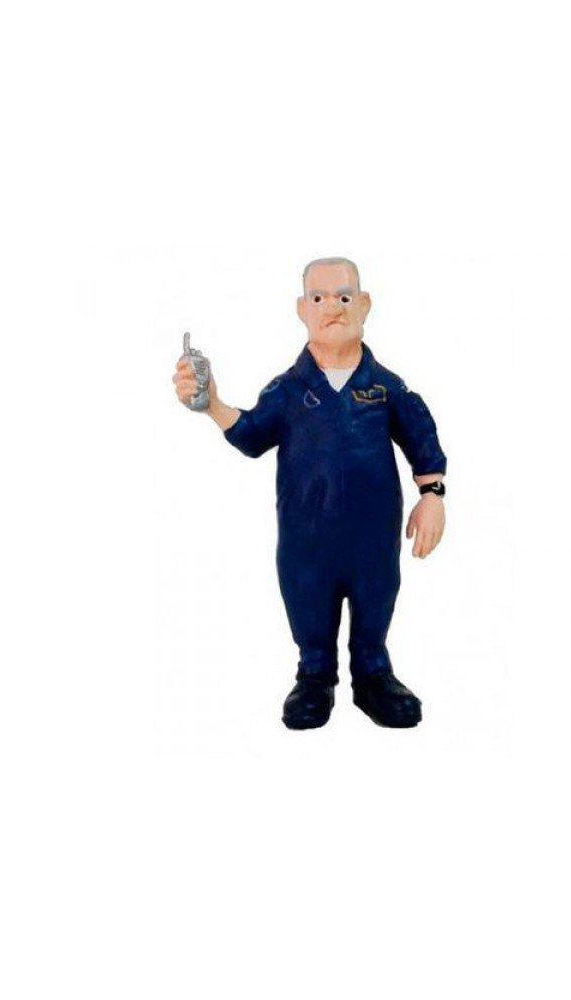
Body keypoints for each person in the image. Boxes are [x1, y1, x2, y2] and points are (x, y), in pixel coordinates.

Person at [174, 257, 447, 729]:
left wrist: (433, 495)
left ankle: (373, 675)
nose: (332, 308)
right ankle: (315, 676)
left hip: (373, 536)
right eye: (318, 298)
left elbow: (421, 437)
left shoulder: (386, 388)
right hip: (307, 537)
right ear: (302, 309)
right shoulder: (287, 390)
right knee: (307, 603)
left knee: (376, 601)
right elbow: (251, 436)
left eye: (344, 296)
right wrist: (211, 403)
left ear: (365, 305)